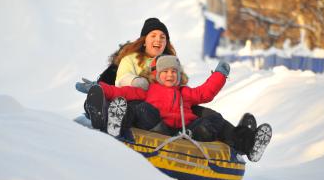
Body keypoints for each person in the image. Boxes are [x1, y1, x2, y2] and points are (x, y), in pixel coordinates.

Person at [89, 55, 272, 162]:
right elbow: (124, 92)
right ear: (157, 75)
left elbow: (205, 93)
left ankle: (250, 146)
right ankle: (116, 122)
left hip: (187, 131)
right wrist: (99, 88)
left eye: (173, 72)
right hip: (157, 126)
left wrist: (219, 75)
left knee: (215, 120)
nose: (170, 75)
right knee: (140, 108)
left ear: (178, 75)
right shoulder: (148, 90)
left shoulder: (184, 92)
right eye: (165, 72)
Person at [81, 17, 222, 131]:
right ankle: (108, 119)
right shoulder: (131, 58)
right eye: (153, 36)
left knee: (204, 113)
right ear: (144, 41)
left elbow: (184, 90)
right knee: (137, 107)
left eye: (162, 37)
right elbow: (121, 80)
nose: (158, 40)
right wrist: (136, 82)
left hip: (166, 106)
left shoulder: (169, 62)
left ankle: (234, 137)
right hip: (136, 98)